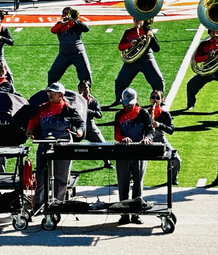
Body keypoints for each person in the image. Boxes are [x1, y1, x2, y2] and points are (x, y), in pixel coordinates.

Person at [26, 83, 84, 209]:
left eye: (53, 92)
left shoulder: (69, 110)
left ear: (61, 95)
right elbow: (35, 120)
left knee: (61, 177)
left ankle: (58, 204)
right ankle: (39, 203)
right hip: (45, 145)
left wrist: (80, 131)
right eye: (48, 92)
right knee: (41, 175)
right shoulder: (42, 108)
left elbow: (80, 123)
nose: (50, 94)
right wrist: (30, 128)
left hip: (63, 146)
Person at [114, 88, 153, 225]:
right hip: (123, 153)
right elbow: (117, 134)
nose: (128, 106)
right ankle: (124, 214)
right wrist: (123, 138)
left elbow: (149, 130)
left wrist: (148, 138)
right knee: (123, 184)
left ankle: (136, 213)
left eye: (131, 103)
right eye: (126, 103)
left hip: (139, 152)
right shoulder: (119, 114)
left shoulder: (143, 113)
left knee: (138, 183)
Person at [113, 18, 164, 106]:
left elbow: (156, 49)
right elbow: (120, 47)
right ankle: (118, 99)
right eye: (135, 19)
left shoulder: (148, 32)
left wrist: (151, 37)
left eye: (139, 19)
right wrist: (130, 44)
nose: (137, 21)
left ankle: (160, 99)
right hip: (132, 60)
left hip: (147, 58)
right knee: (120, 81)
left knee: (158, 79)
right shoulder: (128, 32)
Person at [185, 30, 218, 110]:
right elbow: (196, 59)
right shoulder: (203, 44)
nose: (214, 34)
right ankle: (190, 105)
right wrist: (207, 57)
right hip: (207, 71)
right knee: (190, 85)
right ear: (209, 33)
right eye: (212, 32)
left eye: (217, 32)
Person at [47, 8, 92, 87]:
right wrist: (62, 24)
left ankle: (86, 94)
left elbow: (86, 29)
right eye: (65, 13)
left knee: (86, 73)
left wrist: (75, 21)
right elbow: (53, 30)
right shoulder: (59, 24)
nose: (67, 15)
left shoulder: (76, 23)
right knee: (52, 73)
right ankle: (50, 91)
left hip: (78, 53)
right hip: (64, 54)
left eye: (68, 13)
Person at [147, 90, 181, 185]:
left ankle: (172, 179)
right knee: (134, 156)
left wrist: (159, 124)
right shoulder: (145, 113)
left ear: (162, 100)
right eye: (153, 97)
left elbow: (171, 130)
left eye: (157, 98)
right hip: (148, 140)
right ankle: (131, 178)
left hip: (161, 139)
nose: (155, 100)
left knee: (177, 159)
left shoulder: (165, 114)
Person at [77, 80, 112, 169]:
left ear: (90, 89)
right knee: (68, 146)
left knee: (103, 144)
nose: (83, 89)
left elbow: (99, 114)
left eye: (85, 87)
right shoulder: (75, 100)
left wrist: (88, 111)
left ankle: (107, 162)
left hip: (90, 127)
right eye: (81, 87)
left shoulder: (93, 101)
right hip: (77, 128)